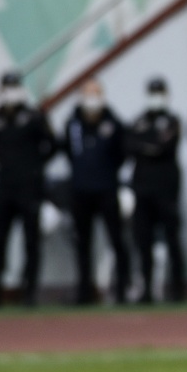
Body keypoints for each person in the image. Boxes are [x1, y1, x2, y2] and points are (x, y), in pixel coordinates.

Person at [0, 71, 56, 308]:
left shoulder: (34, 117)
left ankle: (29, 291)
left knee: (31, 241)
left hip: (29, 188)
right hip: (4, 188)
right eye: (6, 88)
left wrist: (34, 167)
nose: (10, 93)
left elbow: (52, 145)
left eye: (13, 87)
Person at [62, 78, 129, 305]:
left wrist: (107, 174)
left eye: (96, 93)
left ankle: (122, 289)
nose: (92, 98)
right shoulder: (72, 124)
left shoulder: (114, 123)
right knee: (82, 243)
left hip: (107, 189)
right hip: (80, 190)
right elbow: (69, 152)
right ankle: (84, 292)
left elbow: (121, 154)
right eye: (88, 93)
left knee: (117, 240)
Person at [127, 76, 186, 303]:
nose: (156, 97)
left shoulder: (172, 120)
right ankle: (146, 290)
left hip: (167, 190)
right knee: (143, 242)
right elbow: (129, 145)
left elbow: (164, 147)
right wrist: (149, 147)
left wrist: (146, 147)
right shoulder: (139, 120)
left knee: (172, 239)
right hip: (142, 190)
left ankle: (177, 289)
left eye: (159, 92)